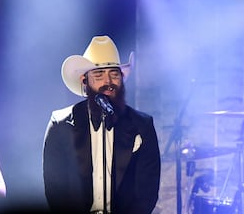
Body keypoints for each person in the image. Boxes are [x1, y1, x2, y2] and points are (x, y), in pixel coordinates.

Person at [43, 35, 161, 213]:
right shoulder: (61, 124)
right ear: (85, 81)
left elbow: (147, 192)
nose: (108, 82)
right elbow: (55, 190)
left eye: (114, 74)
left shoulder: (141, 125)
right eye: (99, 74)